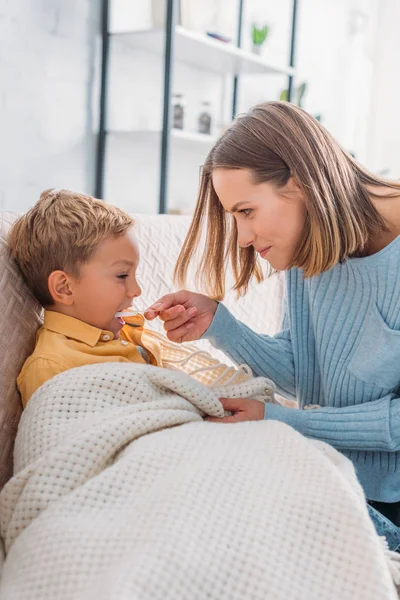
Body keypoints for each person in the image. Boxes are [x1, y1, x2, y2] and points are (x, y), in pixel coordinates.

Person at [144, 101, 400, 551]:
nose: (242, 237)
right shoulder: (314, 242)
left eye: (246, 211)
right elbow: (306, 371)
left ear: (299, 184)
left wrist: (284, 421)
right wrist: (222, 326)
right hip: (333, 471)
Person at [9, 189, 244, 408]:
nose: (137, 290)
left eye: (134, 275)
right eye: (122, 275)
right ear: (65, 288)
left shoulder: (130, 333)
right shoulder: (51, 367)